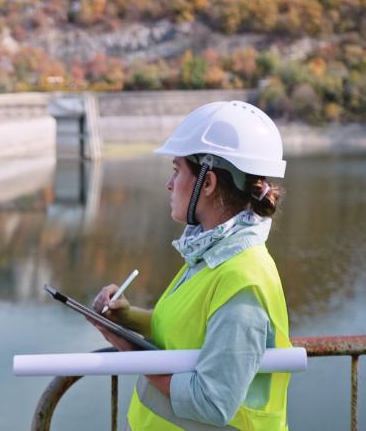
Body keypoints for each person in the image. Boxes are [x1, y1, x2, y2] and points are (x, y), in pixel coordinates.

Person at [92, 101, 291, 430]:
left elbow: (212, 403)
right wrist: (125, 317)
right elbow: (189, 331)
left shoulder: (244, 279)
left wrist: (134, 355)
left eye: (176, 170)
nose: (169, 184)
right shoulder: (212, 253)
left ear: (208, 183)